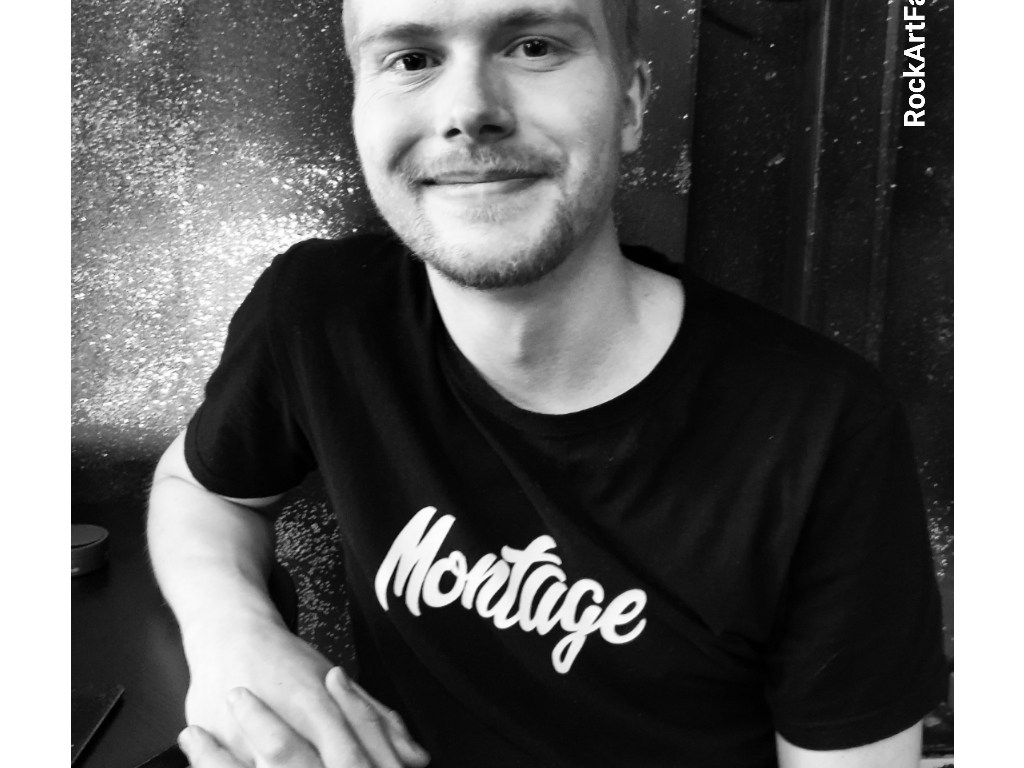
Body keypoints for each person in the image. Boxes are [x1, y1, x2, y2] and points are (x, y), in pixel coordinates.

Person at [147, 0, 948, 765]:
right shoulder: (319, 314)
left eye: (534, 46)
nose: (469, 110)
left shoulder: (823, 429)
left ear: (631, 103)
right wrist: (231, 633)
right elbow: (200, 490)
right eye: (412, 58)